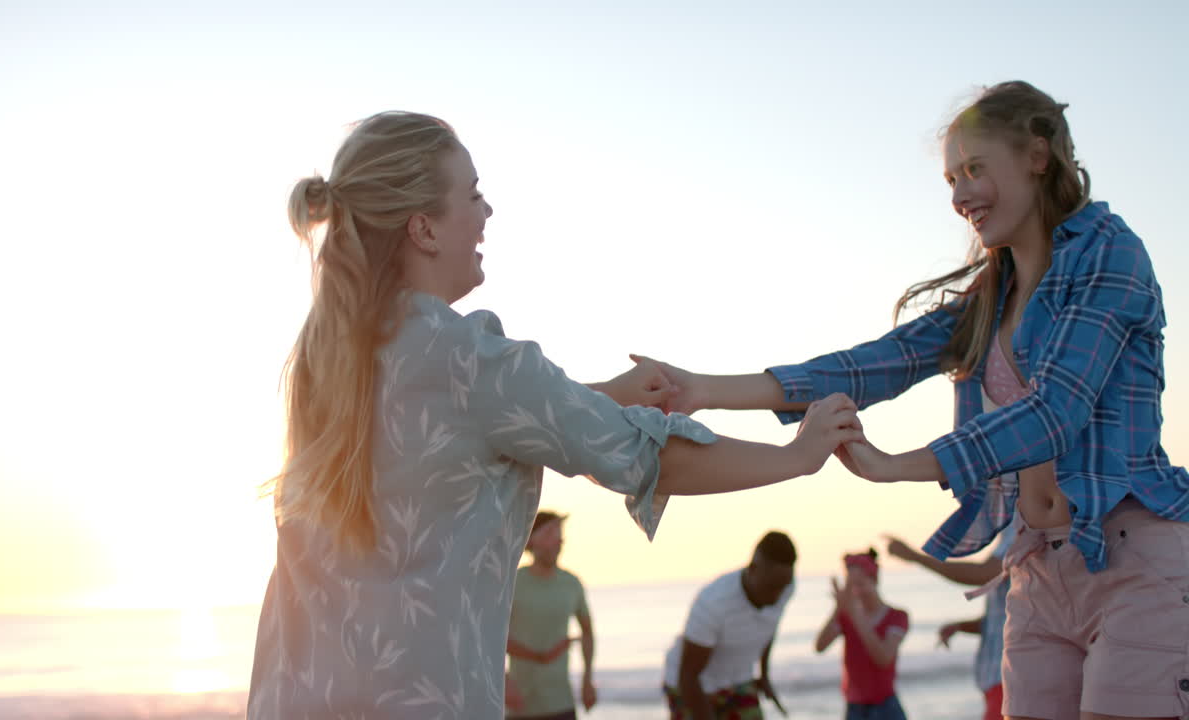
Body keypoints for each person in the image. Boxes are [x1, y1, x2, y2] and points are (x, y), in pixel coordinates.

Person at [245, 111, 865, 719]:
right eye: (473, 194)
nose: (487, 212)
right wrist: (797, 455)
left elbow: (453, 432)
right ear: (424, 229)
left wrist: (603, 396)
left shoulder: (325, 358)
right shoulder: (471, 357)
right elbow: (652, 457)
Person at [640, 80, 1189, 720]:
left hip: (1129, 556)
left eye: (975, 169)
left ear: (1037, 156)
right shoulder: (992, 297)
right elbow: (875, 364)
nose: (958, 197)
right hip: (1037, 566)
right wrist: (702, 389)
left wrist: (896, 465)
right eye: (952, 179)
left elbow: (1055, 413)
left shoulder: (1110, 253)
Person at [661, 531, 797, 720]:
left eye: (783, 586)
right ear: (753, 569)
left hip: (736, 681)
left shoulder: (785, 587)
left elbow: (768, 627)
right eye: (772, 587)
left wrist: (764, 674)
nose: (777, 596)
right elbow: (688, 676)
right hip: (689, 685)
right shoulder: (713, 603)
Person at [885, 523, 1014, 720]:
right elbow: (1007, 620)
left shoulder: (1019, 527)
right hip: (1000, 682)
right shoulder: (1010, 533)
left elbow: (982, 574)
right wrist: (961, 626)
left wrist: (915, 557)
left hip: (1008, 680)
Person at [506, 511, 596, 720]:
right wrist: (503, 681)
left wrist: (587, 680)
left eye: (559, 534)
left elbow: (588, 632)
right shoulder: (512, 583)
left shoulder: (572, 583)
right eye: (549, 533)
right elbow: (489, 636)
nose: (558, 539)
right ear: (530, 538)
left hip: (562, 704)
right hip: (520, 707)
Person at [815, 549, 909, 720]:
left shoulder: (897, 617)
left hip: (885, 705)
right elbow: (820, 646)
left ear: (874, 580)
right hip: (854, 708)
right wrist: (839, 607)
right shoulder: (846, 616)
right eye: (851, 585)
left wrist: (855, 614)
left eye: (860, 583)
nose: (856, 591)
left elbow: (883, 658)